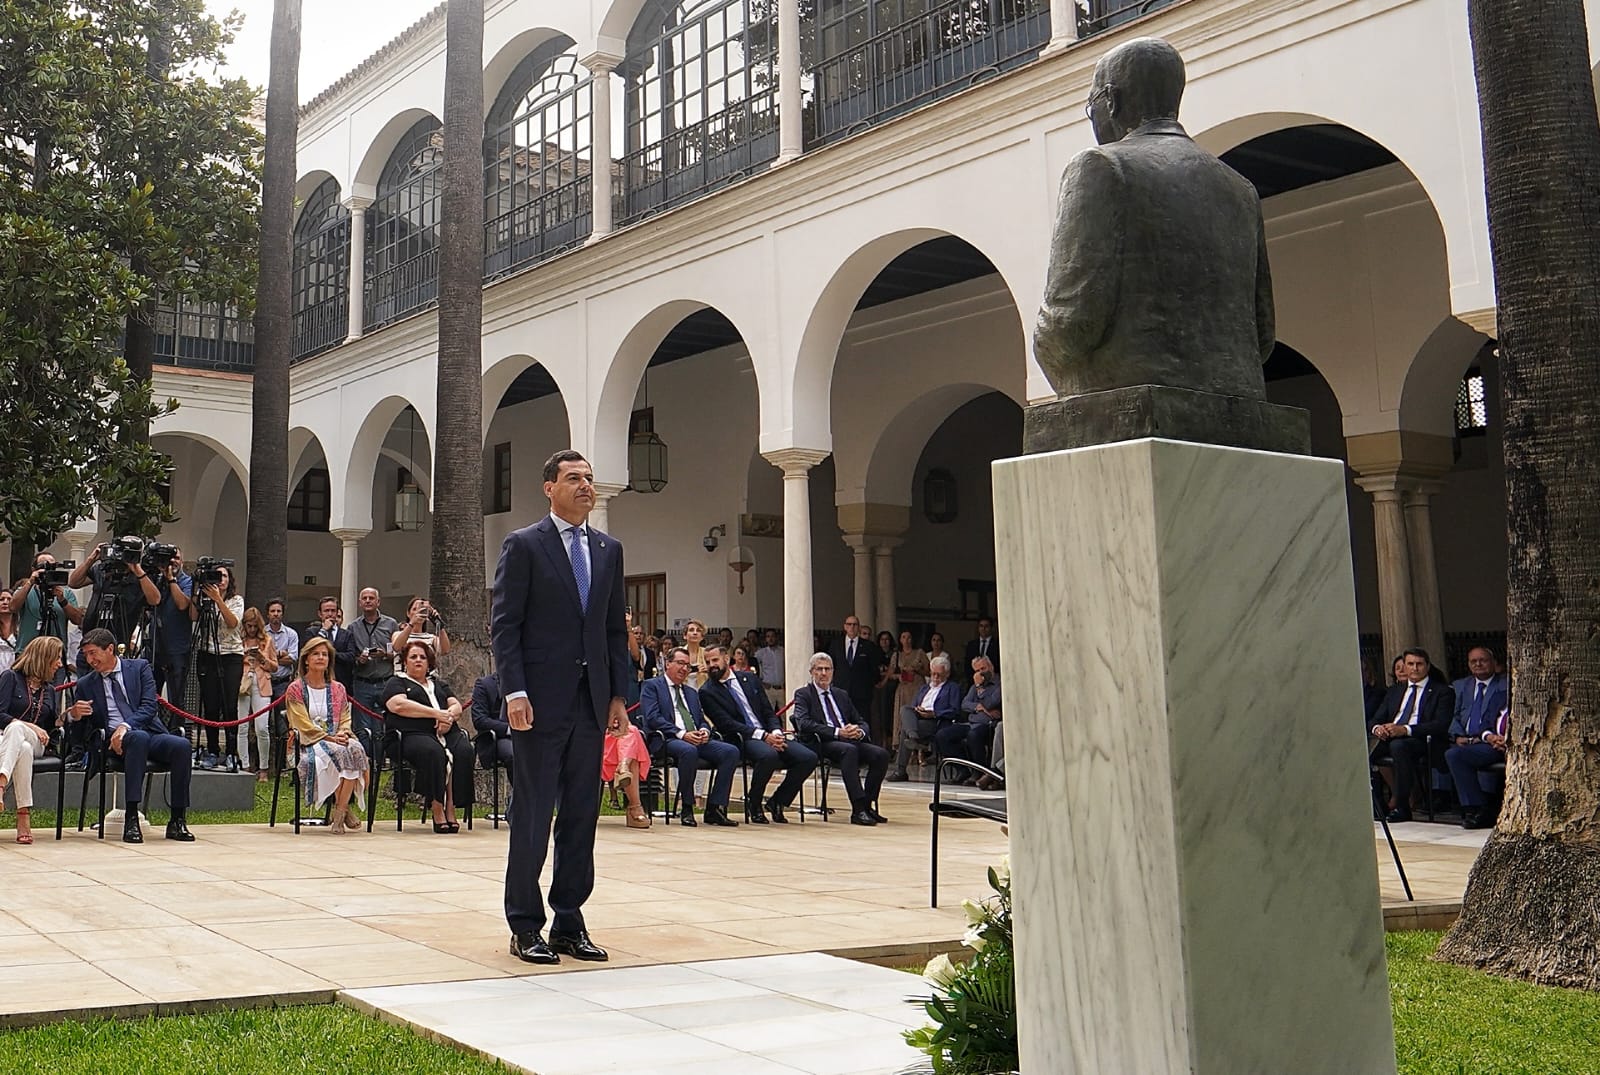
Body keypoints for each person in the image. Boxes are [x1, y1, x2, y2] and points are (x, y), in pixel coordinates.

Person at [1035, 38, 1273, 401]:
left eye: (1092, 105)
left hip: (1131, 400)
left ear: (1111, 101)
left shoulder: (1100, 167)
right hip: (1239, 401)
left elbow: (1069, 324)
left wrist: (1047, 351)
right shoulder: (1241, 188)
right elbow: (1263, 333)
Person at [491, 449, 630, 966]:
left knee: (581, 815)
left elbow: (614, 629)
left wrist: (618, 694)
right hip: (539, 704)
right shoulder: (524, 545)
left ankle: (570, 920)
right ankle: (525, 925)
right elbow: (505, 626)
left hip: (591, 704)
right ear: (549, 487)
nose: (585, 486)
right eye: (574, 478)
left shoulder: (609, 550)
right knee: (533, 814)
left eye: (590, 479)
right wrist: (514, 691)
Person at [68, 627, 195, 843]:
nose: (89, 660)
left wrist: (126, 726)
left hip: (147, 731)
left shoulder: (139, 668)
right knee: (138, 739)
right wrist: (74, 716)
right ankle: (131, 817)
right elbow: (80, 734)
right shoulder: (85, 684)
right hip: (113, 742)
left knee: (181, 745)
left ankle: (177, 819)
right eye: (86, 655)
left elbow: (149, 707)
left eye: (93, 653)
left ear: (110, 649)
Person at [700, 643, 815, 825]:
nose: (711, 665)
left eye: (715, 660)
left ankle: (778, 801)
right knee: (767, 755)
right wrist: (763, 736)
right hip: (741, 738)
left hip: (769, 733)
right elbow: (727, 724)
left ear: (726, 658)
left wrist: (776, 732)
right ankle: (754, 803)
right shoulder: (707, 692)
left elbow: (767, 710)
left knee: (808, 757)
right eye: (707, 662)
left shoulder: (749, 679)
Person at [641, 646, 741, 827]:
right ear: (667, 664)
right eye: (680, 663)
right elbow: (653, 718)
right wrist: (682, 734)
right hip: (667, 739)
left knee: (731, 752)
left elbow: (701, 719)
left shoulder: (691, 692)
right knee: (688, 751)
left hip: (696, 739)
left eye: (687, 665)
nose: (684, 669)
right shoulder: (652, 686)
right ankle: (687, 806)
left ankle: (714, 807)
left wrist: (704, 730)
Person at [383, 640, 473, 833]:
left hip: (446, 731)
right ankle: (437, 806)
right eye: (413, 657)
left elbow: (455, 705)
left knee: (464, 750)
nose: (418, 661)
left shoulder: (438, 684)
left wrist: (449, 715)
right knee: (433, 752)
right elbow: (397, 705)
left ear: (429, 662)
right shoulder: (397, 682)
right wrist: (435, 714)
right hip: (411, 734)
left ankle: (452, 806)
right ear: (405, 661)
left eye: (422, 657)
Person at [791, 652, 890, 826]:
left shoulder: (841, 694)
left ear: (833, 672)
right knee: (849, 750)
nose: (823, 673)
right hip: (822, 742)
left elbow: (860, 720)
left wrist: (858, 731)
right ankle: (858, 808)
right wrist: (837, 732)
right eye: (819, 669)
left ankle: (867, 804)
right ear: (811, 672)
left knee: (880, 754)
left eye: (827, 669)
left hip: (849, 739)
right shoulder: (803, 694)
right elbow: (804, 723)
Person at [284, 637, 369, 833]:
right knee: (339, 753)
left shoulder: (338, 688)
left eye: (324, 654)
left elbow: (345, 716)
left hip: (336, 739)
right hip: (308, 742)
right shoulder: (295, 689)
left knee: (354, 749)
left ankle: (338, 814)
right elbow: (301, 724)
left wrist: (343, 732)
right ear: (306, 659)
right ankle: (344, 811)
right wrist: (329, 738)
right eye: (316, 654)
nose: (320, 658)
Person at [1369, 648, 1455, 822]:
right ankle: (1375, 805)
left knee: (1398, 746)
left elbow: (1440, 724)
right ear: (1405, 667)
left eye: (1419, 664)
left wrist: (1406, 729)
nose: (1415, 668)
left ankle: (1403, 806)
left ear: (1427, 666)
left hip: (1422, 740)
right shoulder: (1394, 691)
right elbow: (1375, 719)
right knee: (1364, 748)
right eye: (1410, 664)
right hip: (1391, 736)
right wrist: (1378, 728)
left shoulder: (1442, 691)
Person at [0, 637, 65, 844]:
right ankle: (23, 816)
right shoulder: (10, 678)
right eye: (57, 658)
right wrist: (29, 725)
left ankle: (1, 782)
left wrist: (68, 717)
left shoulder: (51, 690)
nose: (60, 664)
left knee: (20, 732)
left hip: (39, 742)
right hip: (6, 739)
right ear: (43, 658)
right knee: (23, 747)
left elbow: (52, 728)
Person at [1444, 647, 1510, 830]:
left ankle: (1485, 808)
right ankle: (1476, 808)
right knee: (1454, 754)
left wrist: (1506, 739)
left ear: (1494, 663)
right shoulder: (1460, 686)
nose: (1478, 664)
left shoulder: (1505, 687)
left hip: (1509, 745)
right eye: (1474, 661)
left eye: (1483, 660)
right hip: (1485, 742)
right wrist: (1487, 737)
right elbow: (1458, 716)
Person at [68, 539, 161, 666]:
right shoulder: (103, 570)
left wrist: (137, 569)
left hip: (119, 644)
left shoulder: (142, 577)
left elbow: (155, 599)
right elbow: (73, 582)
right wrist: (92, 559)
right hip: (90, 640)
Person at [190, 565, 245, 771]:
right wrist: (198, 592)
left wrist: (218, 599)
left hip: (231, 656)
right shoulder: (205, 600)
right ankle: (212, 750)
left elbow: (232, 623)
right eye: (217, 576)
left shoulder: (236, 600)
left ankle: (231, 752)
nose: (220, 580)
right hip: (208, 654)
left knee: (229, 705)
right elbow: (193, 617)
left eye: (224, 576)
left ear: (230, 580)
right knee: (210, 705)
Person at [890, 654, 963, 781]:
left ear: (947, 673)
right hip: (918, 718)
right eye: (933, 673)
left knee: (904, 731)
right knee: (905, 709)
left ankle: (901, 770)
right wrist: (918, 709)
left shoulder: (952, 688)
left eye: (939, 674)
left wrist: (934, 713)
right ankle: (913, 736)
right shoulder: (924, 688)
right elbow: (913, 705)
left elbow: (955, 710)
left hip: (936, 721)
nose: (935, 677)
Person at [349, 587, 398, 751]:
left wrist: (385, 654)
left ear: (378, 602)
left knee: (381, 725)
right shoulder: (353, 627)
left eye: (371, 598)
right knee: (362, 727)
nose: (368, 601)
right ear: (360, 602)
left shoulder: (391, 624)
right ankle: (365, 762)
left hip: (385, 681)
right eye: (365, 598)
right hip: (362, 683)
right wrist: (359, 659)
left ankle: (380, 761)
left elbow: (398, 652)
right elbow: (351, 656)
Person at [12, 554, 84, 651]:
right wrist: (30, 582)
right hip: (27, 652)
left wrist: (62, 600)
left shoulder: (66, 593)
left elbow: (77, 620)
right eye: (44, 566)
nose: (48, 570)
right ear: (34, 569)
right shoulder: (25, 591)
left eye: (52, 566)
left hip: (55, 654)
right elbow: (12, 607)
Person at [239, 606, 278, 781]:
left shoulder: (267, 640)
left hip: (262, 684)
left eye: (255, 626)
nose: (252, 629)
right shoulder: (238, 640)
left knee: (262, 727)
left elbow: (275, 667)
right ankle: (245, 766)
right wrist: (244, 654)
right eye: (249, 626)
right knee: (242, 727)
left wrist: (262, 657)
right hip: (242, 684)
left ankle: (263, 769)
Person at [149, 549, 193, 702]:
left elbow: (182, 605)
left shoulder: (187, 581)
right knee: (150, 696)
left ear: (182, 561)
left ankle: (176, 726)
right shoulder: (156, 580)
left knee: (176, 697)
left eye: (177, 558)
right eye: (170, 558)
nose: (173, 561)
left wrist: (171, 580)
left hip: (177, 648)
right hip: (155, 647)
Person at [602, 706, 652, 829]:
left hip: (615, 742)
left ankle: (623, 765)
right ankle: (635, 807)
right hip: (595, 743)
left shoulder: (614, 699)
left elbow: (623, 721)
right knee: (632, 734)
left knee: (630, 731)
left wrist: (615, 723)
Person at [829, 614, 882, 726]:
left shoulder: (868, 646)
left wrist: (869, 685)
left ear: (858, 627)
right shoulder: (836, 644)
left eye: (855, 624)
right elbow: (832, 665)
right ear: (844, 627)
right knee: (842, 722)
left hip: (862, 693)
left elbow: (874, 670)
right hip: (841, 690)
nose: (852, 627)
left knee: (862, 723)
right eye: (849, 624)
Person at [961, 657, 1003, 787]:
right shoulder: (975, 686)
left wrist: (979, 688)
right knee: (943, 735)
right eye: (977, 670)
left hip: (988, 724)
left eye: (983, 669)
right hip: (972, 722)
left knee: (973, 735)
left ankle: (980, 772)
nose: (981, 673)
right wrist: (977, 707)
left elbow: (990, 703)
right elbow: (964, 704)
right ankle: (963, 770)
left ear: (991, 667)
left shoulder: (999, 683)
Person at [304, 596, 358, 692]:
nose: (330, 614)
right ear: (320, 614)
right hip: (316, 682)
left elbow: (351, 656)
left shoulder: (347, 634)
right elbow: (308, 652)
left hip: (341, 682)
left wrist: (330, 653)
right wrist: (324, 630)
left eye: (333, 611)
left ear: (337, 612)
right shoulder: (311, 632)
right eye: (326, 611)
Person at [889, 630, 929, 752]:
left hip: (917, 687)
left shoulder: (920, 653)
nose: (907, 640)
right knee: (901, 717)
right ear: (900, 640)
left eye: (909, 637)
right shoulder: (897, 655)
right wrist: (898, 676)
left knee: (917, 715)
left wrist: (917, 671)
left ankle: (920, 751)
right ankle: (902, 748)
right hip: (903, 688)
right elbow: (890, 674)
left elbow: (929, 671)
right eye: (904, 637)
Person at [392, 596, 451, 673]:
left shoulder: (432, 638)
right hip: (404, 681)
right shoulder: (398, 634)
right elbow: (397, 647)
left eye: (422, 610)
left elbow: (445, 650)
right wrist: (412, 623)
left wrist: (438, 622)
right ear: (408, 613)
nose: (418, 612)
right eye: (414, 609)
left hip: (428, 680)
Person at [471, 670, 514, 774]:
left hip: (528, 736)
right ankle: (522, 790)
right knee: (515, 754)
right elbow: (479, 720)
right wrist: (509, 729)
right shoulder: (484, 684)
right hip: (497, 738)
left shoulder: (530, 683)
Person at [755, 628, 785, 710]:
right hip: (768, 689)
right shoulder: (760, 653)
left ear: (776, 637)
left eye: (773, 636)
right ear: (765, 639)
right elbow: (753, 668)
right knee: (769, 714)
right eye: (768, 637)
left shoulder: (783, 651)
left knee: (785, 715)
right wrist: (761, 682)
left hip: (782, 689)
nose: (771, 639)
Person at [681, 619, 710, 689]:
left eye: (698, 631)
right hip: (682, 690)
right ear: (685, 636)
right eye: (691, 630)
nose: (695, 633)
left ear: (702, 637)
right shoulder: (678, 653)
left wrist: (709, 670)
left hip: (703, 692)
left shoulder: (707, 653)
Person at [0, 588, 19, 673]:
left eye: (9, 599)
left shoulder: (21, 627)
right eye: (1, 599)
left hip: (15, 673)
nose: (5, 602)